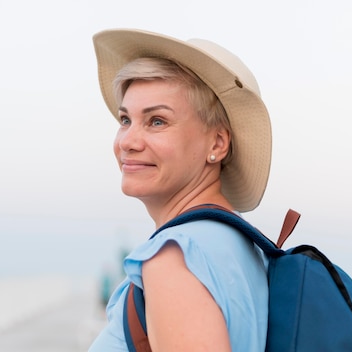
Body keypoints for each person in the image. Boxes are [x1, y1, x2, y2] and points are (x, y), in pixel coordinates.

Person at [89, 29, 273, 351]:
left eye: (157, 121)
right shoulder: (239, 244)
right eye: (125, 119)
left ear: (217, 142)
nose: (128, 142)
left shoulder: (176, 256)